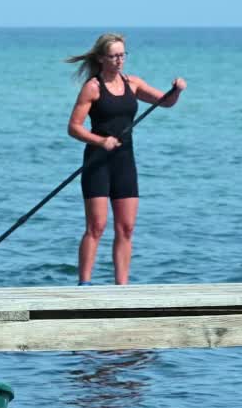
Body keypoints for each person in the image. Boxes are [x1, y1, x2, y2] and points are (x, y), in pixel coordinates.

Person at [66, 33, 186, 286]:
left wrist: (176, 91)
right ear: (101, 59)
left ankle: (122, 287)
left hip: (124, 162)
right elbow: (74, 127)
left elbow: (165, 103)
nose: (120, 60)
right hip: (97, 162)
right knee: (96, 226)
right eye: (114, 56)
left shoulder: (132, 83)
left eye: (123, 55)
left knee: (126, 228)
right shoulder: (93, 87)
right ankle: (84, 285)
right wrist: (100, 141)